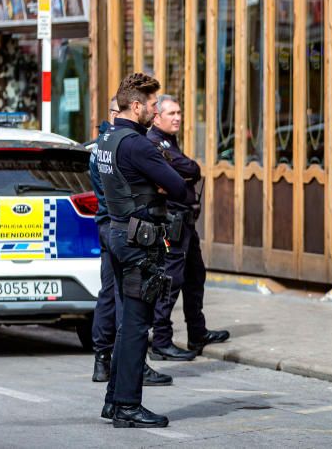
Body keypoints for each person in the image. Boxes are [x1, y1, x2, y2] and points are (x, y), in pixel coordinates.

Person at [96, 73, 187, 428]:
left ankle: (113, 402)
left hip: (118, 232)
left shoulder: (107, 139)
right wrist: (159, 184)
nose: (155, 111)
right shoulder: (138, 145)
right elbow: (179, 186)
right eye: (152, 105)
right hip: (139, 241)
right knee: (136, 326)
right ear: (136, 106)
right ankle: (127, 406)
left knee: (126, 324)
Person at [88, 97, 171, 386]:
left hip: (107, 225)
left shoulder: (100, 148)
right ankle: (131, 366)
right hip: (124, 227)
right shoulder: (122, 147)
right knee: (129, 301)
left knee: (109, 293)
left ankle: (103, 361)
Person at [148, 95, 230, 361]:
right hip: (173, 222)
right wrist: (190, 169)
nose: (177, 117)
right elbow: (188, 168)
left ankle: (197, 332)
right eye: (171, 113)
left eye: (179, 112)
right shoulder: (157, 142)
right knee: (171, 280)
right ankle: (161, 340)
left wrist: (187, 172)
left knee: (195, 275)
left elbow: (184, 172)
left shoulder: (168, 141)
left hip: (185, 221)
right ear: (156, 117)